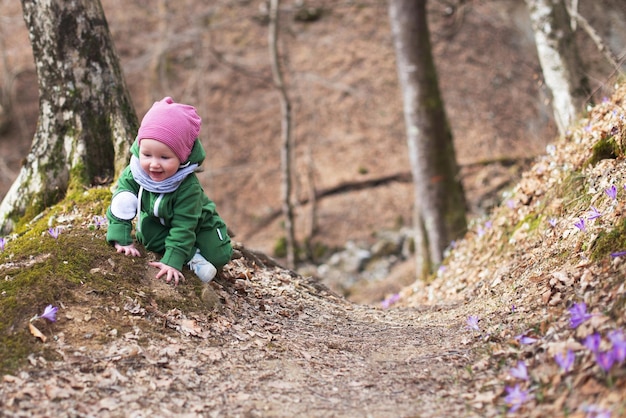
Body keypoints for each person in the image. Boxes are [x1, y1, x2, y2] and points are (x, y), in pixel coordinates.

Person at [106, 97, 232, 286]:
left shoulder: (187, 186)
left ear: (181, 158)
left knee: (220, 255)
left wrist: (171, 262)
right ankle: (191, 255)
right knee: (148, 234)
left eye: (165, 157)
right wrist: (121, 238)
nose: (154, 164)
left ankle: (196, 246)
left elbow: (185, 224)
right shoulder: (135, 172)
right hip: (160, 223)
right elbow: (121, 202)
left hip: (197, 221)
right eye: (147, 155)